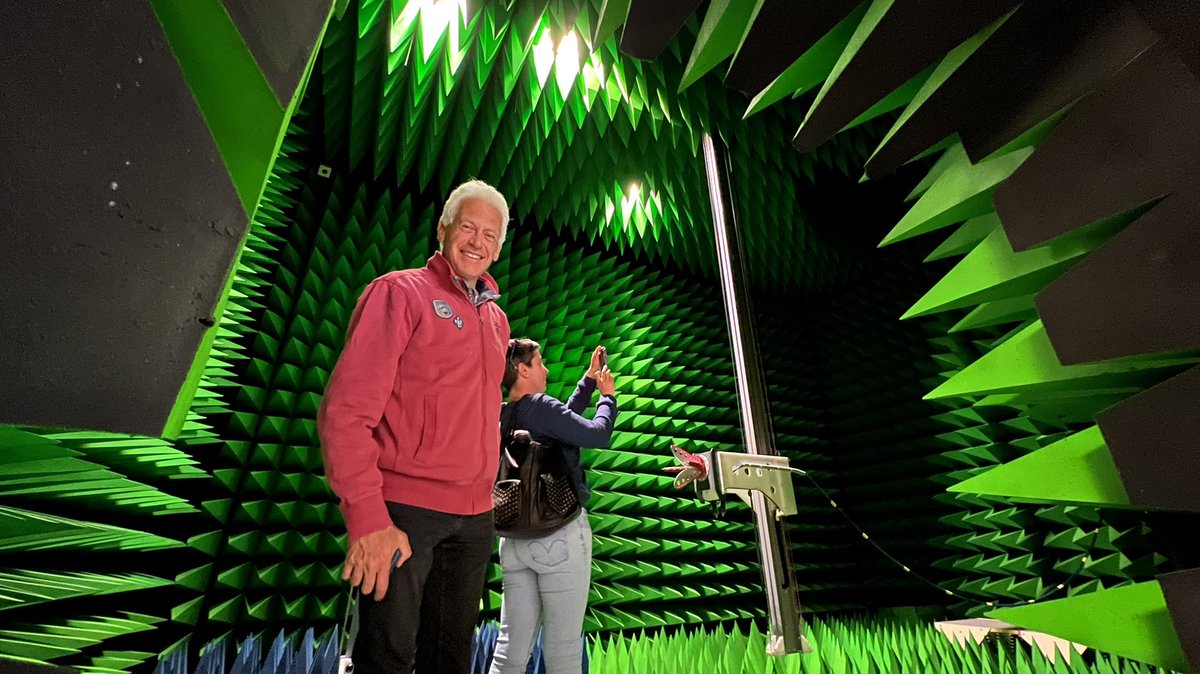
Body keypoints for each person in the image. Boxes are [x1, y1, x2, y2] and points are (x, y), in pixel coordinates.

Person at [317, 179, 511, 674]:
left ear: (499, 248)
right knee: (387, 659)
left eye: (490, 235)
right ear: (443, 229)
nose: (477, 241)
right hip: (406, 514)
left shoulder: (497, 322)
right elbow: (346, 413)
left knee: (450, 660)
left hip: (474, 518)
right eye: (468, 227)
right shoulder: (399, 293)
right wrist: (368, 519)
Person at [488, 339, 618, 674]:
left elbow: (561, 426)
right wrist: (607, 397)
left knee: (509, 651)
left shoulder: (505, 413)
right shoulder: (541, 407)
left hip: (514, 542)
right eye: (540, 361)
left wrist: (587, 381)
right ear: (523, 368)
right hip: (558, 537)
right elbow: (596, 434)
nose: (545, 369)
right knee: (563, 654)